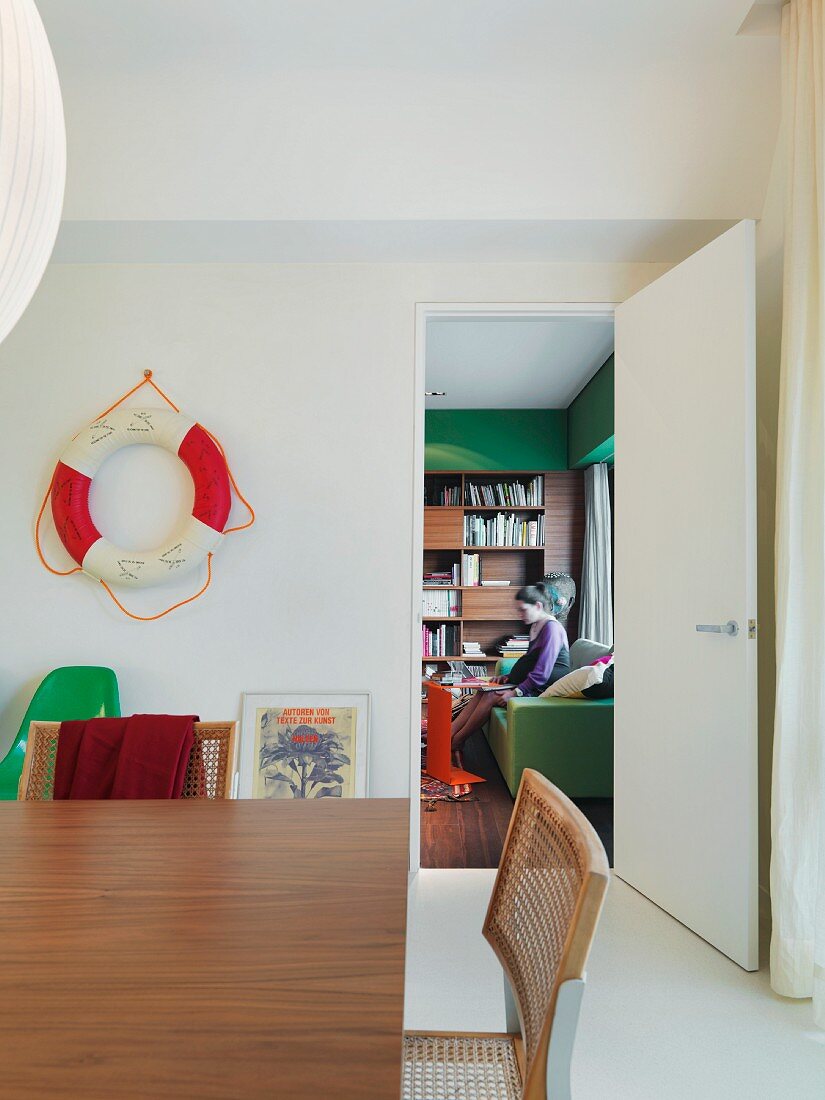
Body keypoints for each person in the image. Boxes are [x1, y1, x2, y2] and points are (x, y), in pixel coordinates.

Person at [450, 582, 570, 753]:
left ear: (538, 606)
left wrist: (515, 692)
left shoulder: (552, 628)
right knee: (484, 690)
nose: (520, 614)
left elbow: (542, 672)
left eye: (523, 610)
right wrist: (508, 678)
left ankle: (457, 741)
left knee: (492, 696)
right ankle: (450, 733)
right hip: (536, 685)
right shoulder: (537, 626)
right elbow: (529, 660)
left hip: (546, 690)